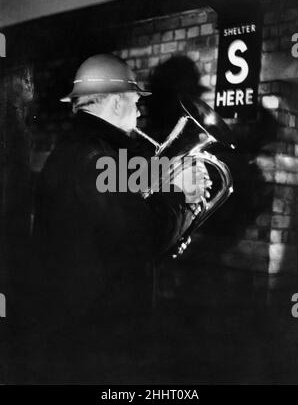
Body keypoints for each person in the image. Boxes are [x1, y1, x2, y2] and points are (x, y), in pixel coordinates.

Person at [13, 54, 201, 383]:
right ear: (115, 104)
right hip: (99, 336)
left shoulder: (79, 149)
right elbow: (143, 241)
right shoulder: (99, 158)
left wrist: (168, 188)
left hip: (77, 326)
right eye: (133, 102)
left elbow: (119, 217)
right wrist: (177, 193)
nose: (139, 111)